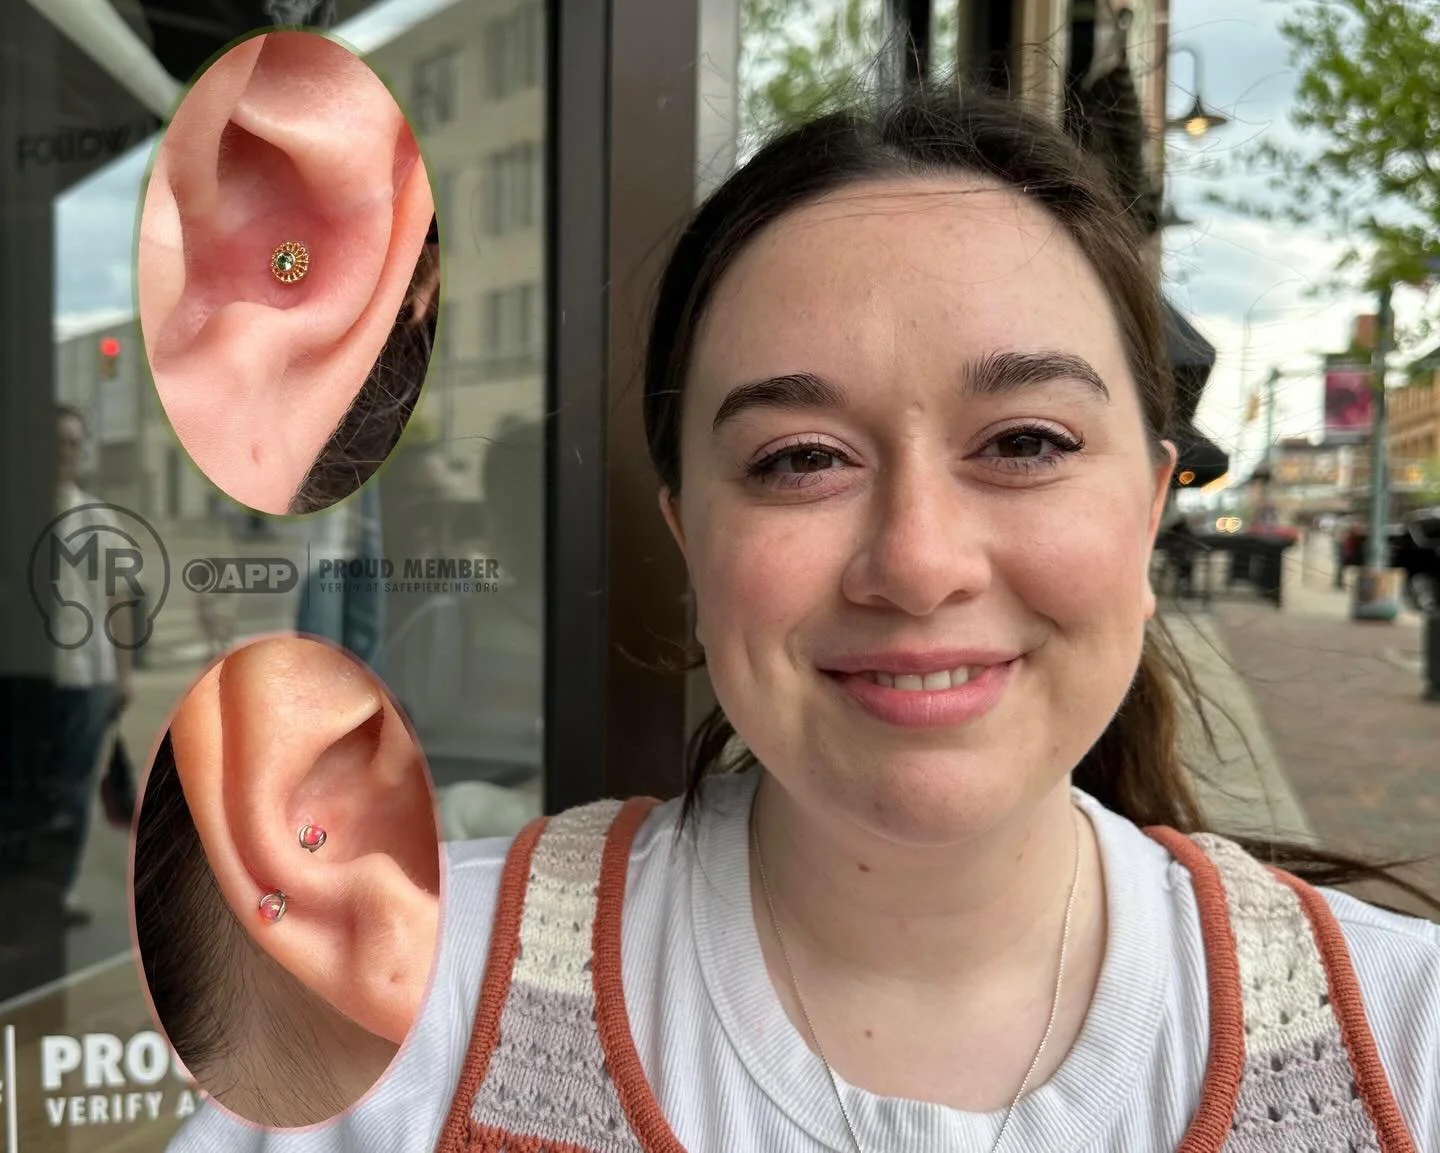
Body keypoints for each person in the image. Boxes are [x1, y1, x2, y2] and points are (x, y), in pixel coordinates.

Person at [166, 87, 1439, 1151]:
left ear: (1151, 505)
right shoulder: (395, 1023)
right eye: (798, 459)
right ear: (690, 536)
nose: (918, 562)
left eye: (1028, 440)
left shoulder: (1408, 1045)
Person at [50, 404, 134, 924]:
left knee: (75, 790)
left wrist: (124, 676)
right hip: (28, 682)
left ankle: (56, 893)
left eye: (73, 444)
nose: (65, 453)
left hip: (86, 679)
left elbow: (119, 600)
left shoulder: (94, 518)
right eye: (56, 443)